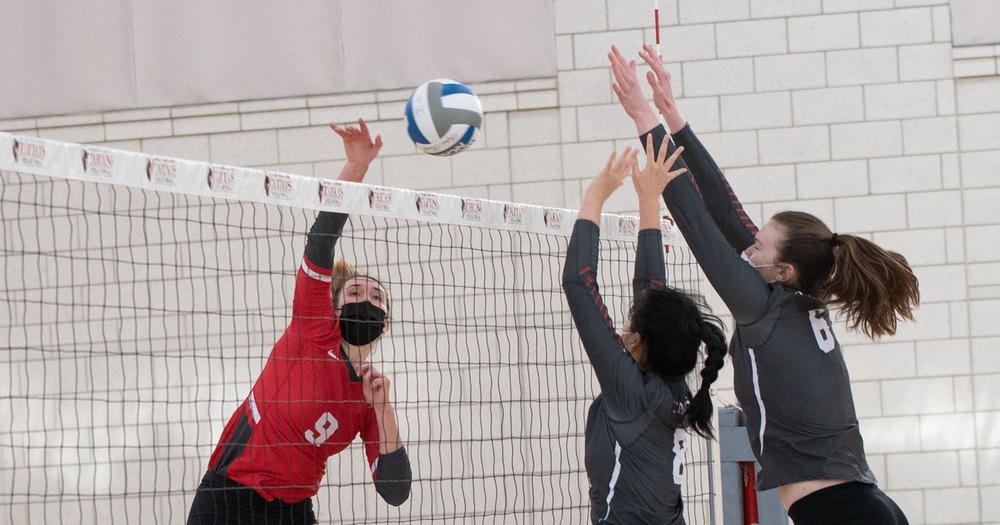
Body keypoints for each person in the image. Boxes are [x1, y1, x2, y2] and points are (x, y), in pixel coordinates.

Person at [609, 44, 920, 524]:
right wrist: (673, 117)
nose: (748, 248)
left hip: (844, 514)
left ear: (782, 270)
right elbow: (725, 209)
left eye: (759, 247)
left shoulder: (763, 310)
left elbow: (697, 223)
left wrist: (641, 115)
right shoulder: (795, 297)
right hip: (863, 505)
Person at [187, 119, 412, 525]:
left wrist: (383, 408)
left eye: (377, 298)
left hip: (293, 513)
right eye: (355, 293)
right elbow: (322, 239)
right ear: (333, 307)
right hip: (231, 499)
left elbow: (395, 492)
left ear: (386, 324)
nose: (366, 300)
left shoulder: (368, 396)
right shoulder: (313, 326)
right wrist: (356, 167)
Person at [562, 141, 729, 524]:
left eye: (630, 320)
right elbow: (652, 291)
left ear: (637, 340)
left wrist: (596, 195)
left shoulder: (631, 392)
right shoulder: (674, 385)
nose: (626, 321)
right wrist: (648, 199)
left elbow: (578, 282)